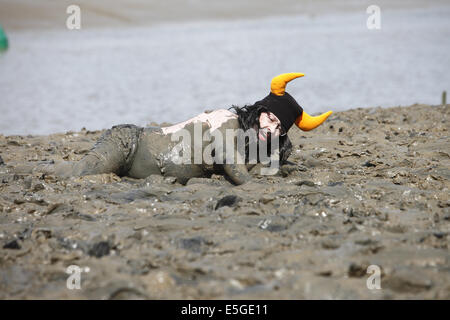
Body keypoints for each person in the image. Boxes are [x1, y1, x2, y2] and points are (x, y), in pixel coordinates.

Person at [38, 73, 332, 185]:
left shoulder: (255, 148)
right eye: (269, 118)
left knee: (90, 177)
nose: (269, 128)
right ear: (259, 111)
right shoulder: (223, 120)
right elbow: (235, 169)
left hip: (136, 172)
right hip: (129, 143)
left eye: (279, 128)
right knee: (76, 174)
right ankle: (34, 169)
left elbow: (260, 167)